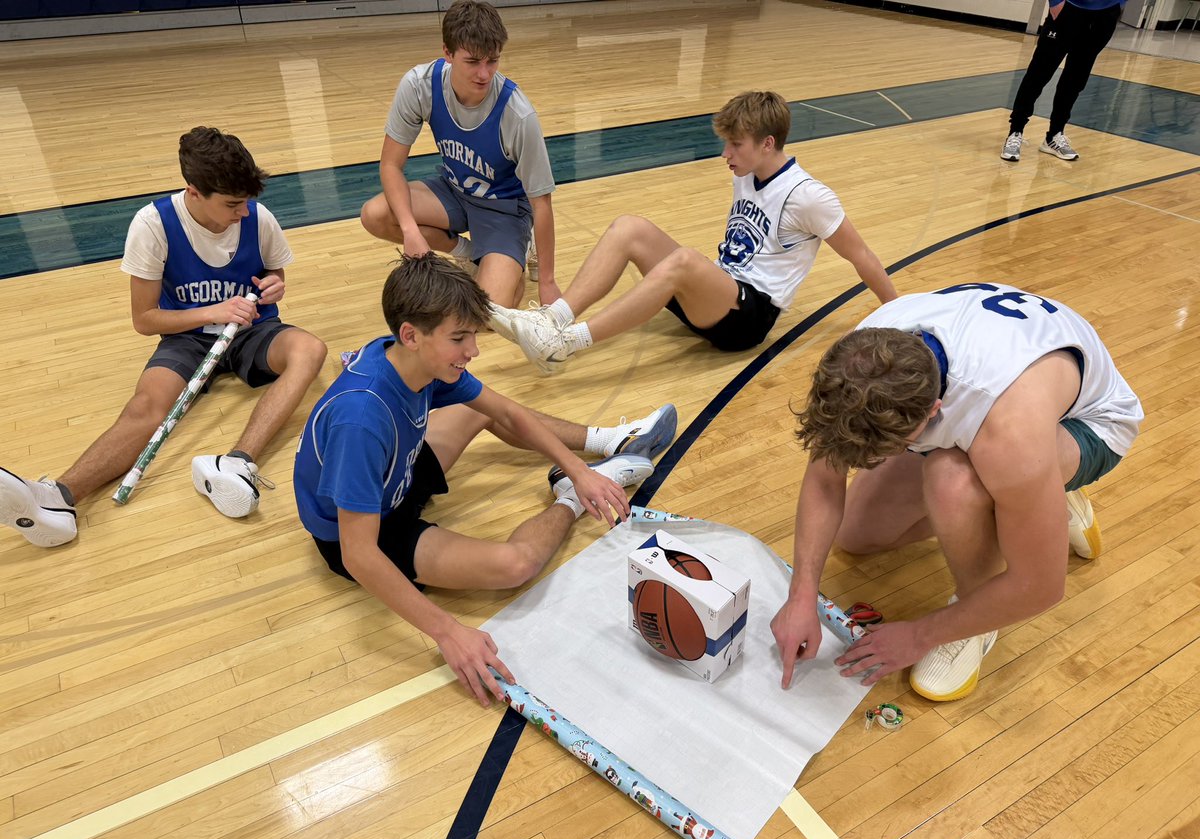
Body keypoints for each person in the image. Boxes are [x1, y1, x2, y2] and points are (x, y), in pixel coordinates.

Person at [293, 254, 673, 706]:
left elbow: (508, 412)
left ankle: (609, 441)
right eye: (459, 338)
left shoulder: (407, 358)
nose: (473, 350)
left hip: (397, 472)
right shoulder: (362, 419)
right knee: (516, 566)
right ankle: (568, 501)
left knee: (478, 409)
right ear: (411, 335)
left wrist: (580, 466)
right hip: (361, 531)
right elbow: (359, 555)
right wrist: (448, 632)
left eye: (473, 334)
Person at [770, 282, 1143, 701]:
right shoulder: (858, 360)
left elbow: (1040, 586)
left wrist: (920, 634)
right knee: (858, 534)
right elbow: (825, 474)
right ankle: (1036, 504)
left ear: (933, 413)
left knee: (952, 481)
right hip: (998, 383)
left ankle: (979, 608)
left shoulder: (1009, 429)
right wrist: (801, 595)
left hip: (1087, 424)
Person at [0, 126, 327, 548]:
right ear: (194, 192)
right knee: (146, 406)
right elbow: (145, 319)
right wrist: (215, 311)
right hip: (186, 336)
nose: (243, 213)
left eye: (246, 202)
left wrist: (275, 285)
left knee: (311, 350)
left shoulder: (257, 217)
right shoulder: (153, 224)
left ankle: (237, 463)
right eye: (231, 204)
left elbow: (274, 270)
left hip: (251, 329)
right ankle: (59, 498)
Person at [488, 90, 897, 375]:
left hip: (747, 318)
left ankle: (565, 345)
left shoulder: (808, 196)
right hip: (716, 293)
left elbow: (860, 255)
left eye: (735, 145)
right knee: (630, 227)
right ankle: (553, 321)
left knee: (685, 260)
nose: (725, 154)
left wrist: (901, 312)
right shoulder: (748, 171)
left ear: (768, 143)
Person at [359, 0, 558, 312]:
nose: (484, 74)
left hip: (504, 209)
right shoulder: (419, 85)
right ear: (448, 53)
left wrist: (547, 282)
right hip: (454, 190)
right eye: (473, 61)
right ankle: (467, 253)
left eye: (493, 61)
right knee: (376, 215)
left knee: (486, 314)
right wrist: (410, 232)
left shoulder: (517, 114)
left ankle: (519, 253)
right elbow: (390, 165)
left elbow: (541, 202)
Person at [1000, 0, 1126, 162]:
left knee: (1076, 77)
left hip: (1106, 14)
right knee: (1039, 74)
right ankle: (1015, 131)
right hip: (1069, 9)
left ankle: (1054, 135)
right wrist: (1056, 3)